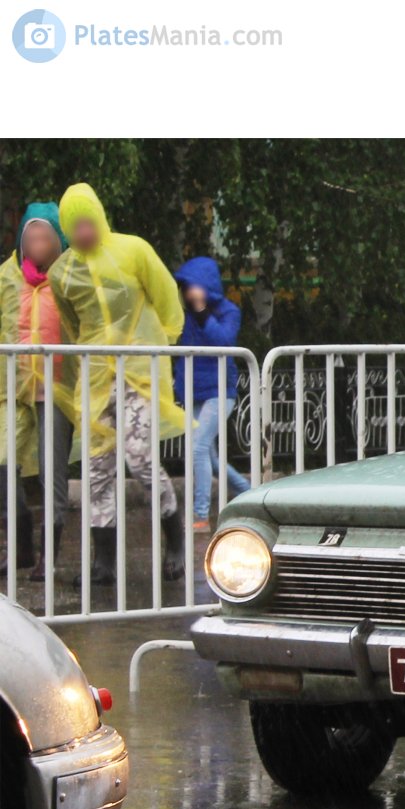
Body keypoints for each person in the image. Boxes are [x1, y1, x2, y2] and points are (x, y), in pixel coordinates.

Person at [48, 183, 188, 585]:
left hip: (141, 370)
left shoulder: (134, 250)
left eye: (89, 222)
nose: (84, 232)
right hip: (94, 378)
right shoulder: (63, 271)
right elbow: (73, 327)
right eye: (75, 227)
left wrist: (157, 348)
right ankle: (104, 562)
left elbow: (166, 300)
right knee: (97, 468)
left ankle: (175, 541)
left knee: (142, 456)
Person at [0, 202, 73, 581]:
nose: (37, 243)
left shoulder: (70, 276)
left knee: (51, 475)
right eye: (31, 236)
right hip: (13, 386)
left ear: (59, 241)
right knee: (2, 463)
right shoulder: (5, 277)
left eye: (45, 236)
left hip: (56, 389)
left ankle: (49, 556)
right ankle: (20, 542)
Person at [172, 257, 249, 531]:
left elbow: (224, 342)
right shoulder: (184, 314)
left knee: (198, 449)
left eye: (192, 286)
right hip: (194, 391)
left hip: (219, 391)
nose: (188, 292)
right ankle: (249, 492)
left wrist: (203, 310)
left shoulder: (228, 310)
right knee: (211, 459)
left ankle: (201, 515)